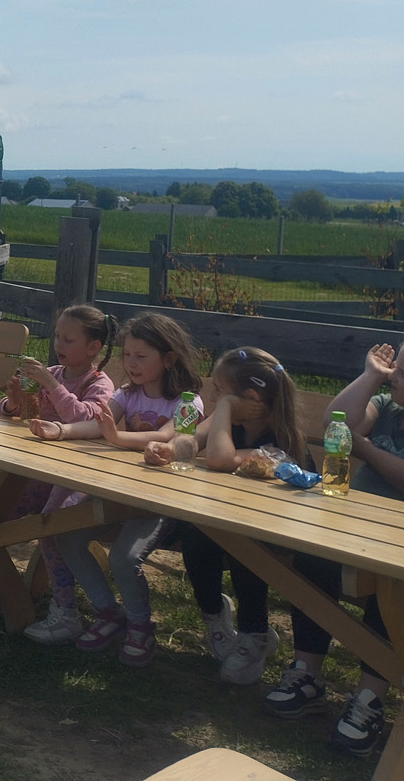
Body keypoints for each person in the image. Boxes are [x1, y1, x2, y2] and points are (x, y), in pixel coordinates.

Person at [259, 342, 404, 755]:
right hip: (354, 527)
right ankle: (307, 673)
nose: (394, 377)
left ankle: (369, 699)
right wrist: (371, 375)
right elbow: (335, 422)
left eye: (401, 373)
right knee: (310, 558)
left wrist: (366, 448)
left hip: (397, 546)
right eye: (396, 367)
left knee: (391, 587)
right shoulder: (387, 406)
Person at [142, 346, 306, 685]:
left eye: (219, 391)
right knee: (195, 531)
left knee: (245, 546)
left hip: (275, 534)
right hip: (222, 519)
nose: (213, 397)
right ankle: (215, 617)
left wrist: (227, 407)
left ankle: (254, 633)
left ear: (249, 399)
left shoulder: (279, 444)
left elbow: (219, 459)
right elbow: (192, 442)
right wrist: (168, 449)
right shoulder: (230, 419)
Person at [0, 306, 117, 645]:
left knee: (51, 528)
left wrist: (50, 383)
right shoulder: (54, 372)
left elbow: (84, 419)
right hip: (36, 470)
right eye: (57, 336)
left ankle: (66, 612)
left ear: (93, 347)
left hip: (77, 476)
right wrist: (13, 402)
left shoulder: (99, 384)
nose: (58, 344)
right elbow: (19, 415)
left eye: (68, 339)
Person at [54, 312, 202, 665]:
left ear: (168, 359)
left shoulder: (187, 402)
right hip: (119, 493)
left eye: (141, 356)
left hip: (161, 502)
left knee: (124, 557)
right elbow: (97, 425)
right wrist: (59, 430)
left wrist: (117, 438)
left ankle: (139, 626)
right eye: (128, 355)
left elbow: (166, 436)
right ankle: (108, 613)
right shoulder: (127, 393)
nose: (131, 364)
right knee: (66, 536)